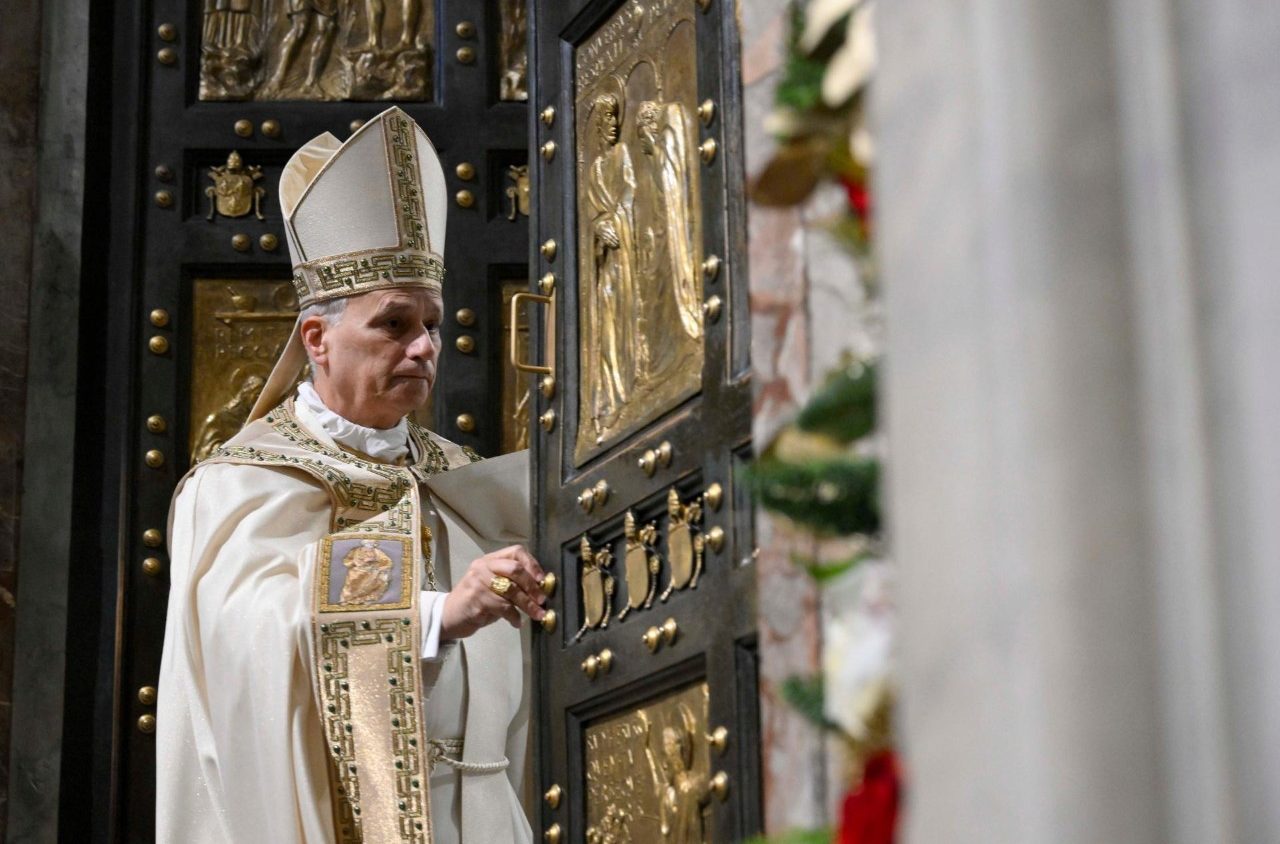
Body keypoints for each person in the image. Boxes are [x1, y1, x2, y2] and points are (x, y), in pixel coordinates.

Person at [157, 106, 540, 843]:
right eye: (393, 324)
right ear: (318, 338)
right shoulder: (243, 481)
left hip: (492, 815)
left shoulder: (460, 478)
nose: (425, 346)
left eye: (431, 323)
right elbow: (243, 648)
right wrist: (431, 616)